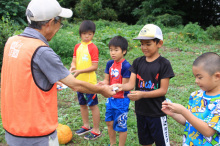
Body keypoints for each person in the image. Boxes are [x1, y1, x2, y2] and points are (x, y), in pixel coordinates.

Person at [1, 0, 115, 145]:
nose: (59, 27)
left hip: (13, 128)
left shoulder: (12, 42)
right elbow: (74, 85)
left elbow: (25, 76)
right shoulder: (41, 51)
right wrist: (102, 89)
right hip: (36, 133)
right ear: (49, 23)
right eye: (59, 22)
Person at [114, 24, 175, 146]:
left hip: (157, 112)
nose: (144, 47)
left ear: (159, 43)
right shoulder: (138, 62)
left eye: (148, 44)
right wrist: (119, 86)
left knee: (162, 143)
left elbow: (163, 90)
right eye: (142, 44)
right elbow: (130, 84)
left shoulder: (164, 64)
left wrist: (142, 94)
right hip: (141, 111)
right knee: (145, 142)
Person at [162, 52, 220, 145]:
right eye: (195, 77)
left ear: (217, 76)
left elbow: (208, 132)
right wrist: (173, 113)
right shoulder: (195, 95)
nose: (196, 81)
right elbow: (189, 121)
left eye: (200, 77)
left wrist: (183, 111)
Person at [69, 20, 101, 140]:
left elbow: (94, 66)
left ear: (93, 34)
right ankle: (86, 126)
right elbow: (74, 60)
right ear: (80, 34)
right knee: (82, 104)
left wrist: (80, 71)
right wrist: (73, 66)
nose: (87, 36)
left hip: (89, 83)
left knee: (93, 106)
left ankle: (96, 130)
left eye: (90, 34)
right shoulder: (77, 46)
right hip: (78, 82)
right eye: (84, 34)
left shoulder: (93, 48)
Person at [98, 36, 131, 146]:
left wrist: (109, 88)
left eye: (116, 50)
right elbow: (107, 80)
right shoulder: (109, 64)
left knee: (121, 126)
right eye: (111, 50)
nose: (113, 53)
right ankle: (112, 144)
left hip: (121, 100)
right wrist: (102, 84)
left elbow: (125, 86)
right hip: (110, 98)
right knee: (109, 122)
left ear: (124, 51)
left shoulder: (126, 66)